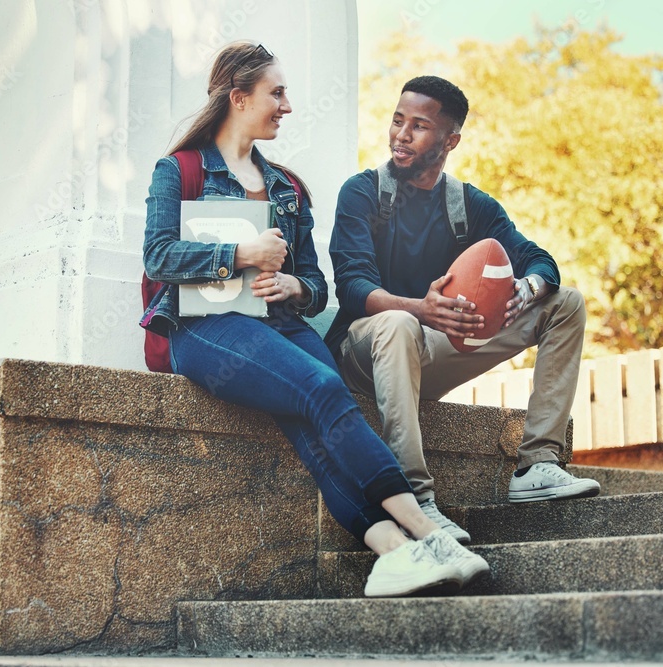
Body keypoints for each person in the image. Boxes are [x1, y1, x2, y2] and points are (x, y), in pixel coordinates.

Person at [139, 45, 488, 597]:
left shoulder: (288, 187)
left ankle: (392, 555)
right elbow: (158, 256)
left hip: (280, 323)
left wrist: (296, 286)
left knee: (315, 423)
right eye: (276, 93)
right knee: (324, 387)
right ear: (238, 97)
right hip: (205, 327)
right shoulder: (178, 169)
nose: (287, 106)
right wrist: (241, 254)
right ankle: (426, 533)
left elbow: (317, 282)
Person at [326, 75, 601, 544]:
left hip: (429, 353)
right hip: (364, 357)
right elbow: (352, 287)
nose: (400, 134)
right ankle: (415, 498)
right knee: (397, 323)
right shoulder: (362, 193)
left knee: (565, 302)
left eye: (418, 126)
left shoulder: (470, 205)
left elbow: (539, 259)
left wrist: (527, 287)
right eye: (397, 121)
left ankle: (537, 464)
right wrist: (421, 309)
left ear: (450, 139)